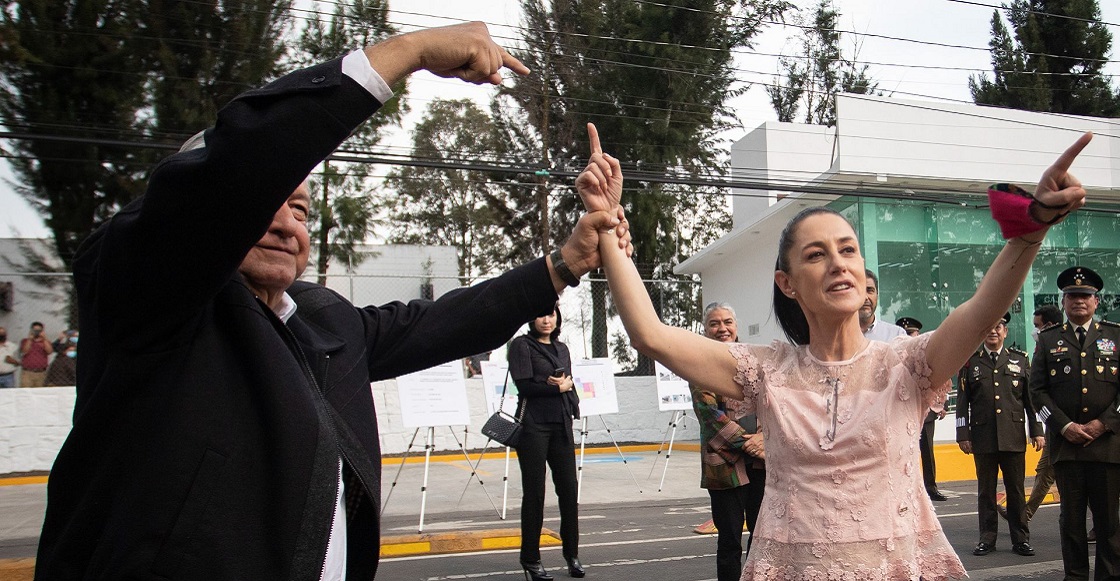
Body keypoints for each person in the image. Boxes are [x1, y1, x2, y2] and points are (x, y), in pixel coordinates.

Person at [34, 23, 633, 580]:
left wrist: (566, 262)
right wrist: (410, 53)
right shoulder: (146, 292)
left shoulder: (321, 320)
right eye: (265, 200)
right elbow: (235, 169)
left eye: (299, 209)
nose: (284, 225)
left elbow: (446, 322)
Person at [577, 120, 1091, 579]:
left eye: (848, 250)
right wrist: (605, 226)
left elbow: (980, 311)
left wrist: (1029, 231)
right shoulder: (765, 370)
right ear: (788, 282)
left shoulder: (908, 364)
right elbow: (651, 334)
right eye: (816, 255)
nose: (838, 264)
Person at [1029, 266, 1120, 580]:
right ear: (1064, 302)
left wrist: (1103, 424)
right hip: (1067, 449)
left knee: (1109, 524)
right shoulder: (1048, 340)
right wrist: (1063, 426)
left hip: (1107, 448)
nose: (1079, 300)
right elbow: (1036, 392)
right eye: (1072, 296)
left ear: (1096, 301)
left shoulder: (1115, 336)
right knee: (1071, 523)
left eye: (1085, 295)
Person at [956, 312, 1044, 557]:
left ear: (1005, 332)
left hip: (1013, 436)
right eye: (989, 328)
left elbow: (1030, 401)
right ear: (983, 333)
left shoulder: (1019, 360)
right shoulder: (970, 362)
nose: (994, 331)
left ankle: (1021, 539)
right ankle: (987, 539)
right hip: (983, 437)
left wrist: (1036, 431)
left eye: (999, 327)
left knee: (1015, 491)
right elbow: (963, 403)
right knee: (986, 491)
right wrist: (963, 433)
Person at [690, 302, 765, 581]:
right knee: (730, 539)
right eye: (714, 323)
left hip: (760, 463)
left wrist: (764, 439)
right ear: (706, 329)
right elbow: (709, 415)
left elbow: (769, 403)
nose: (722, 328)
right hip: (724, 464)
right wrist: (749, 442)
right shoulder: (698, 363)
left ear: (736, 325)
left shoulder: (753, 359)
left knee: (762, 537)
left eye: (728, 321)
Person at [508, 306, 583, 580]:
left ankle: (572, 555)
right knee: (535, 494)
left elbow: (569, 384)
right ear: (531, 318)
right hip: (533, 427)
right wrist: (555, 387)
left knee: (569, 492)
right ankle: (530, 558)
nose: (546, 319)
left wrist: (566, 388)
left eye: (551, 314)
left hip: (562, 425)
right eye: (540, 314)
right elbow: (524, 386)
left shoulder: (562, 348)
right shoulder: (521, 346)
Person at [1011, 304, 1063, 524]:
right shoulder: (1044, 347)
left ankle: (1025, 514)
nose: (1035, 331)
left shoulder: (1061, 347)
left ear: (1049, 325)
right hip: (1054, 423)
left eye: (1037, 326)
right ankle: (1025, 514)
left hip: (1065, 424)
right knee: (1048, 471)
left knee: (1051, 472)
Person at [898, 316, 949, 501]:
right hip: (902, 412)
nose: (912, 336)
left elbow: (939, 375)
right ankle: (906, 488)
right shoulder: (896, 353)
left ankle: (931, 487)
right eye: (908, 333)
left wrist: (943, 404)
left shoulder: (925, 353)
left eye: (913, 333)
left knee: (927, 451)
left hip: (926, 412)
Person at [860, 271, 905, 341]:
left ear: (877, 296)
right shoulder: (837, 335)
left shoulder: (897, 335)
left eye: (870, 290)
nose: (866, 297)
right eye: (860, 291)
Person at [18, 321, 52, 387]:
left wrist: (44, 339)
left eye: (39, 330)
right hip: (27, 373)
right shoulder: (25, 341)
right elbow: (24, 351)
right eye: (35, 330)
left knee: (40, 393)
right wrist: (30, 339)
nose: (37, 332)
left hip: (41, 373)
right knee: (25, 392)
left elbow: (49, 351)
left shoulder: (45, 342)